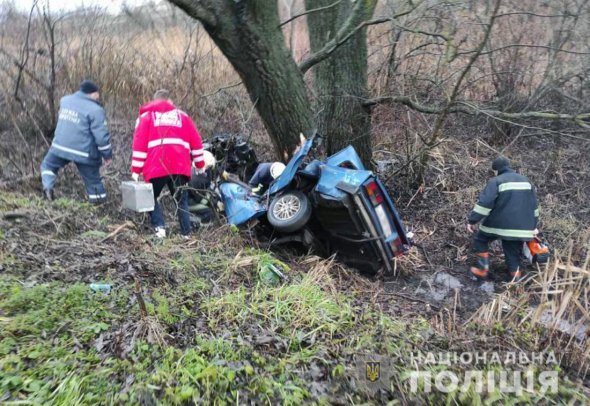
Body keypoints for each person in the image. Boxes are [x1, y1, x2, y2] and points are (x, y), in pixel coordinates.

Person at [130, 89, 205, 238]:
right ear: (170, 101)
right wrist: (200, 164)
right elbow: (196, 142)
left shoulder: (146, 117)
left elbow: (139, 146)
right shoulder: (183, 116)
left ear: (154, 101)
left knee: (150, 198)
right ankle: (186, 234)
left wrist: (136, 170)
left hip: (156, 166)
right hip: (179, 166)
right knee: (181, 200)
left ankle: (160, 229)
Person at [467, 156, 539, 281]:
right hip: (522, 228)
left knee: (481, 239)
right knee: (512, 250)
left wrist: (472, 220)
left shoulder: (496, 181)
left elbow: (485, 203)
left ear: (496, 170)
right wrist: (533, 225)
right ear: (509, 166)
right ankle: (515, 279)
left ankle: (482, 270)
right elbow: (534, 206)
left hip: (498, 224)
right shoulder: (526, 181)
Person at [40, 80, 112, 203]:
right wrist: (107, 155)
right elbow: (101, 136)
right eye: (97, 94)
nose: (98, 97)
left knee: (48, 165)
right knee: (93, 181)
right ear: (92, 93)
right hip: (84, 152)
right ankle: (100, 206)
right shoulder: (96, 110)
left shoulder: (65, 101)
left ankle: (48, 188)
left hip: (60, 146)